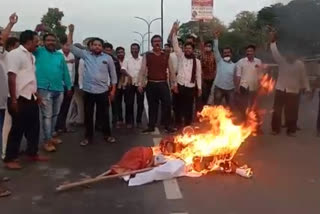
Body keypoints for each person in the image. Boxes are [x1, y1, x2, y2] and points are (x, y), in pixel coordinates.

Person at [4, 30, 49, 169]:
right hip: (18, 98)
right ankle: (10, 158)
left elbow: (29, 78)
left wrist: (36, 95)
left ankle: (32, 153)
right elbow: (12, 77)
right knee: (17, 129)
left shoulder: (31, 56)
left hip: (30, 97)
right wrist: (13, 100)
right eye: (36, 41)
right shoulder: (15, 54)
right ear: (29, 41)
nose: (38, 44)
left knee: (34, 127)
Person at [68, 24, 117, 146]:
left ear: (102, 47)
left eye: (99, 45)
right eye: (95, 44)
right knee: (88, 116)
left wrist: (113, 91)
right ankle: (88, 137)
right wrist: (71, 32)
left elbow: (113, 76)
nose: (97, 47)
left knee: (105, 115)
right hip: (89, 91)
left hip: (103, 91)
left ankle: (107, 135)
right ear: (91, 46)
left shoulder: (108, 58)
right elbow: (70, 47)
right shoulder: (86, 55)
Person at [34, 33, 72, 152]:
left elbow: (65, 71)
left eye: (53, 40)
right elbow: (30, 43)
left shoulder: (59, 55)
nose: (51, 42)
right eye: (48, 40)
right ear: (43, 42)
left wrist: (69, 86)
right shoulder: (38, 52)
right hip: (44, 89)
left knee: (55, 115)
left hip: (59, 89)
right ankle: (47, 141)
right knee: (47, 116)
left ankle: (51, 136)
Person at [269, 31, 311, 137]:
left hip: (293, 91)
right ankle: (275, 129)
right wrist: (273, 41)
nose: (289, 56)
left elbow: (304, 77)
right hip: (280, 89)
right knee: (277, 111)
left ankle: (291, 130)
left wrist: (307, 88)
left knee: (291, 112)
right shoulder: (282, 61)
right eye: (288, 54)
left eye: (292, 54)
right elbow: (275, 52)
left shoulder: (300, 65)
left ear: (295, 55)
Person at [138, 34, 176, 134]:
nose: (157, 43)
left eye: (159, 41)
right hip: (151, 84)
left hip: (163, 84)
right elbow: (142, 70)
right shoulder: (147, 55)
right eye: (155, 41)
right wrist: (140, 84)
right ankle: (151, 125)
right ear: (152, 44)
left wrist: (174, 84)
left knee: (167, 105)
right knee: (152, 106)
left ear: (161, 43)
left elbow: (171, 71)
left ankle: (167, 125)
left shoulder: (166, 55)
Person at [171, 22, 202, 128]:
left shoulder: (197, 61)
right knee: (177, 106)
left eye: (190, 48)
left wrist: (199, 88)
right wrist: (174, 31)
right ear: (184, 49)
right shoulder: (180, 56)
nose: (188, 50)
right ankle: (178, 123)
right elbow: (175, 44)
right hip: (180, 85)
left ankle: (187, 125)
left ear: (193, 50)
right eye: (186, 48)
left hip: (190, 87)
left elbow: (198, 75)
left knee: (189, 107)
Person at [235, 45, 263, 132]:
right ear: (246, 52)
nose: (249, 53)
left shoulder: (258, 62)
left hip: (254, 87)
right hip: (244, 87)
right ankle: (245, 126)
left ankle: (257, 127)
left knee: (255, 108)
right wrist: (237, 87)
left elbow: (260, 76)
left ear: (254, 52)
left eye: (251, 51)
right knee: (244, 107)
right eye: (248, 51)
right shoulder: (241, 62)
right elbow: (238, 75)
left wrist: (261, 87)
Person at [121, 43, 144, 128]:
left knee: (140, 104)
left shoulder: (142, 59)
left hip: (140, 84)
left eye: (136, 48)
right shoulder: (127, 59)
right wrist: (128, 75)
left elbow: (144, 71)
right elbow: (123, 69)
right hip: (129, 84)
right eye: (132, 49)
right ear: (130, 50)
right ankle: (129, 121)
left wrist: (141, 83)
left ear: (138, 50)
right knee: (129, 103)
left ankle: (139, 121)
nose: (134, 50)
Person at [210, 31, 235, 107]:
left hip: (230, 89)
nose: (227, 54)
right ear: (223, 54)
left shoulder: (235, 65)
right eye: (225, 53)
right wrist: (216, 38)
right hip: (219, 88)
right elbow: (215, 49)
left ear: (231, 54)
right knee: (216, 107)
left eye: (228, 52)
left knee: (230, 108)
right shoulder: (219, 61)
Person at [56, 37, 76, 133]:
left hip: (70, 85)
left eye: (69, 45)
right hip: (59, 85)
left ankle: (62, 126)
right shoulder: (57, 54)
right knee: (57, 107)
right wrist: (67, 62)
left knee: (66, 107)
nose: (68, 47)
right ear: (62, 45)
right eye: (66, 45)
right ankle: (55, 128)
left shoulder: (72, 55)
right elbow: (57, 66)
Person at [103, 42, 121, 126]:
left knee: (115, 104)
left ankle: (115, 121)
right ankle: (101, 122)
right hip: (102, 86)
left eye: (109, 50)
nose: (108, 52)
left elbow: (117, 74)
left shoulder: (115, 60)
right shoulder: (99, 59)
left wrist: (114, 85)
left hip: (113, 85)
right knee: (103, 105)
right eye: (106, 50)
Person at [198, 40, 216, 111]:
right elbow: (199, 67)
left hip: (212, 79)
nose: (208, 47)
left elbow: (215, 66)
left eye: (209, 46)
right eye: (207, 46)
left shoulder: (214, 55)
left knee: (211, 97)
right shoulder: (201, 55)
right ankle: (203, 112)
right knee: (204, 96)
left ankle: (211, 112)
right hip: (204, 79)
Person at [115, 46, 126, 128]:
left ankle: (129, 121)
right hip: (117, 85)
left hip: (127, 85)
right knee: (117, 104)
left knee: (129, 103)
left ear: (124, 53)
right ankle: (119, 120)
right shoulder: (114, 62)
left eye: (122, 52)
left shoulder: (127, 61)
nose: (120, 54)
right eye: (118, 52)